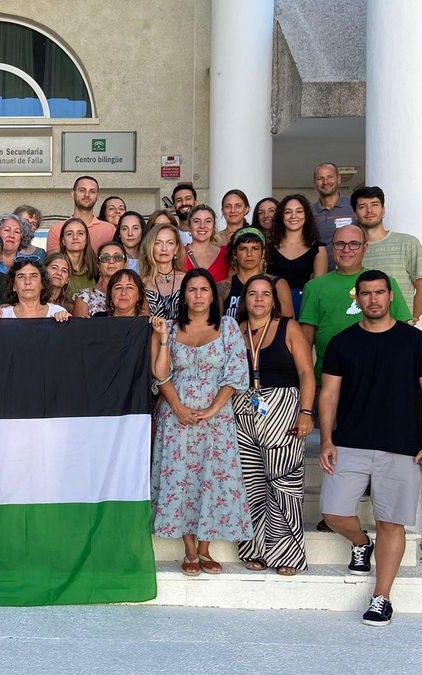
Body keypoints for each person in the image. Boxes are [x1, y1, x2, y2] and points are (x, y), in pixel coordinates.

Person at [319, 269, 422, 626]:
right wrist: (326, 439)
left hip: (401, 446)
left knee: (391, 522)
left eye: (379, 292)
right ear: (356, 299)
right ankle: (361, 542)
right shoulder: (342, 343)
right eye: (365, 293)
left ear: (391, 296)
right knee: (333, 512)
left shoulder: (415, 341)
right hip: (350, 443)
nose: (373, 299)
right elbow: (329, 395)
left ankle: (381, 597)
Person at [151, 268, 252, 576]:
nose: (197, 295)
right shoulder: (167, 326)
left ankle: (206, 547)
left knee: (212, 477)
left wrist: (212, 410)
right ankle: (189, 548)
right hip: (175, 416)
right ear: (184, 296)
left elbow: (235, 372)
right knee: (180, 478)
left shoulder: (228, 326)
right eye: (191, 290)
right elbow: (160, 373)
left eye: (203, 290)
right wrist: (178, 406)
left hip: (216, 418)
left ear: (212, 295)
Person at [234, 275, 315, 576]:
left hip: (283, 408)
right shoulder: (237, 331)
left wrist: (305, 412)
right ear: (244, 300)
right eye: (252, 294)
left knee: (283, 484)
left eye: (265, 294)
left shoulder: (288, 328)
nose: (258, 300)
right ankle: (254, 549)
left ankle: (288, 555)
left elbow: (307, 373)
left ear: (274, 300)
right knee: (251, 484)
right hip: (243, 409)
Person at [299, 224, 412, 384]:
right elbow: (305, 341)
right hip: (329, 381)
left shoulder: (384, 283)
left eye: (354, 244)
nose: (346, 250)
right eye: (340, 244)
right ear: (332, 248)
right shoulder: (314, 286)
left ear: (364, 248)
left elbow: (403, 334)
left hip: (380, 379)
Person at [354, 186, 422, 321]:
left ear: (383, 210)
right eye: (362, 206)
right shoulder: (351, 250)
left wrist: (409, 319)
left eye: (375, 205)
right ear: (355, 213)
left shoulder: (407, 243)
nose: (369, 211)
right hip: (362, 331)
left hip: (398, 333)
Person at [267, 194, 328, 317]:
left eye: (299, 211)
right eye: (288, 212)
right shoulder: (268, 247)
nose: (293, 216)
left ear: (306, 216)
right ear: (281, 216)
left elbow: (318, 289)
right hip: (273, 308)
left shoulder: (318, 248)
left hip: (305, 308)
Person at [219, 227, 294, 319]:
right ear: (235, 253)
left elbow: (287, 324)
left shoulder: (278, 284)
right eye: (243, 248)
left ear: (263, 253)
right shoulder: (223, 287)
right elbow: (214, 325)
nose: (249, 254)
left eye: (255, 248)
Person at [45, 176, 115, 252]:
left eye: (92, 191)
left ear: (97, 197)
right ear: (73, 194)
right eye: (82, 190)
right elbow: (54, 262)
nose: (87, 195)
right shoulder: (57, 229)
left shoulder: (110, 230)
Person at [140, 222, 187, 321]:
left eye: (170, 243)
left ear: (176, 248)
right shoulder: (142, 283)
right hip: (153, 335)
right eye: (158, 243)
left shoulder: (187, 280)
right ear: (151, 247)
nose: (164, 248)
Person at [0, 259, 70, 320]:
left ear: (42, 284)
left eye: (33, 276)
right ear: (14, 286)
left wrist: (68, 321)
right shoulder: (3, 315)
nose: (27, 282)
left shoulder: (57, 312)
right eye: (21, 276)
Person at [73, 242, 127, 317]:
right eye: (105, 258)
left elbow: (144, 325)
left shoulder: (137, 293)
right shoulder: (84, 296)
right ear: (98, 265)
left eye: (118, 257)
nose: (111, 261)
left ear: (125, 264)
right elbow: (80, 327)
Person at [312, 162, 355, 249]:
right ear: (315, 184)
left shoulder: (354, 206)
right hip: (320, 263)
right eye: (320, 178)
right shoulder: (309, 213)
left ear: (338, 179)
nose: (325, 182)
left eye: (330, 177)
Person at [182, 205, 229, 281]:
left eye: (208, 221)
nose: (202, 226)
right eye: (196, 221)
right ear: (189, 227)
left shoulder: (226, 254)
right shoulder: (179, 254)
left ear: (213, 226)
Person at [58, 217, 100, 297]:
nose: (75, 237)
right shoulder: (55, 269)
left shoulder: (97, 267)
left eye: (80, 233)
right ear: (63, 241)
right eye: (69, 234)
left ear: (86, 239)